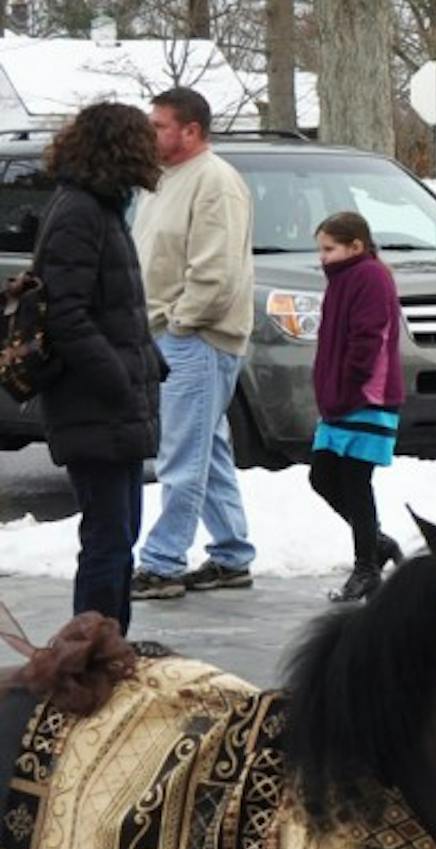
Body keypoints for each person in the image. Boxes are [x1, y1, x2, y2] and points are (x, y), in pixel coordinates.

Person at [32, 104, 165, 635]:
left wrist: (149, 361)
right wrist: (117, 377)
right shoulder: (81, 212)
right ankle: (90, 659)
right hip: (94, 405)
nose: (152, 151)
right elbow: (65, 313)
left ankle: (110, 648)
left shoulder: (101, 208)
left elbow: (113, 307)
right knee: (108, 539)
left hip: (114, 406)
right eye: (143, 140)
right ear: (119, 147)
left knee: (120, 533)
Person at [130, 86, 257, 600]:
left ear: (192, 131)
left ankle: (162, 563)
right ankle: (232, 555)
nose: (151, 133)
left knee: (181, 454)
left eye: (159, 125)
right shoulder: (160, 179)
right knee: (209, 449)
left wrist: (183, 324)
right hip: (168, 333)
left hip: (196, 339)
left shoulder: (215, 182)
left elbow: (215, 270)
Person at [308, 211, 405, 602]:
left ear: (356, 246)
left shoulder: (369, 277)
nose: (323, 257)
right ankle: (375, 544)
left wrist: (348, 385)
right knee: (323, 476)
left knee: (354, 481)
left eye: (329, 249)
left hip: (365, 397)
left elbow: (368, 338)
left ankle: (366, 566)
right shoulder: (342, 278)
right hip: (340, 399)